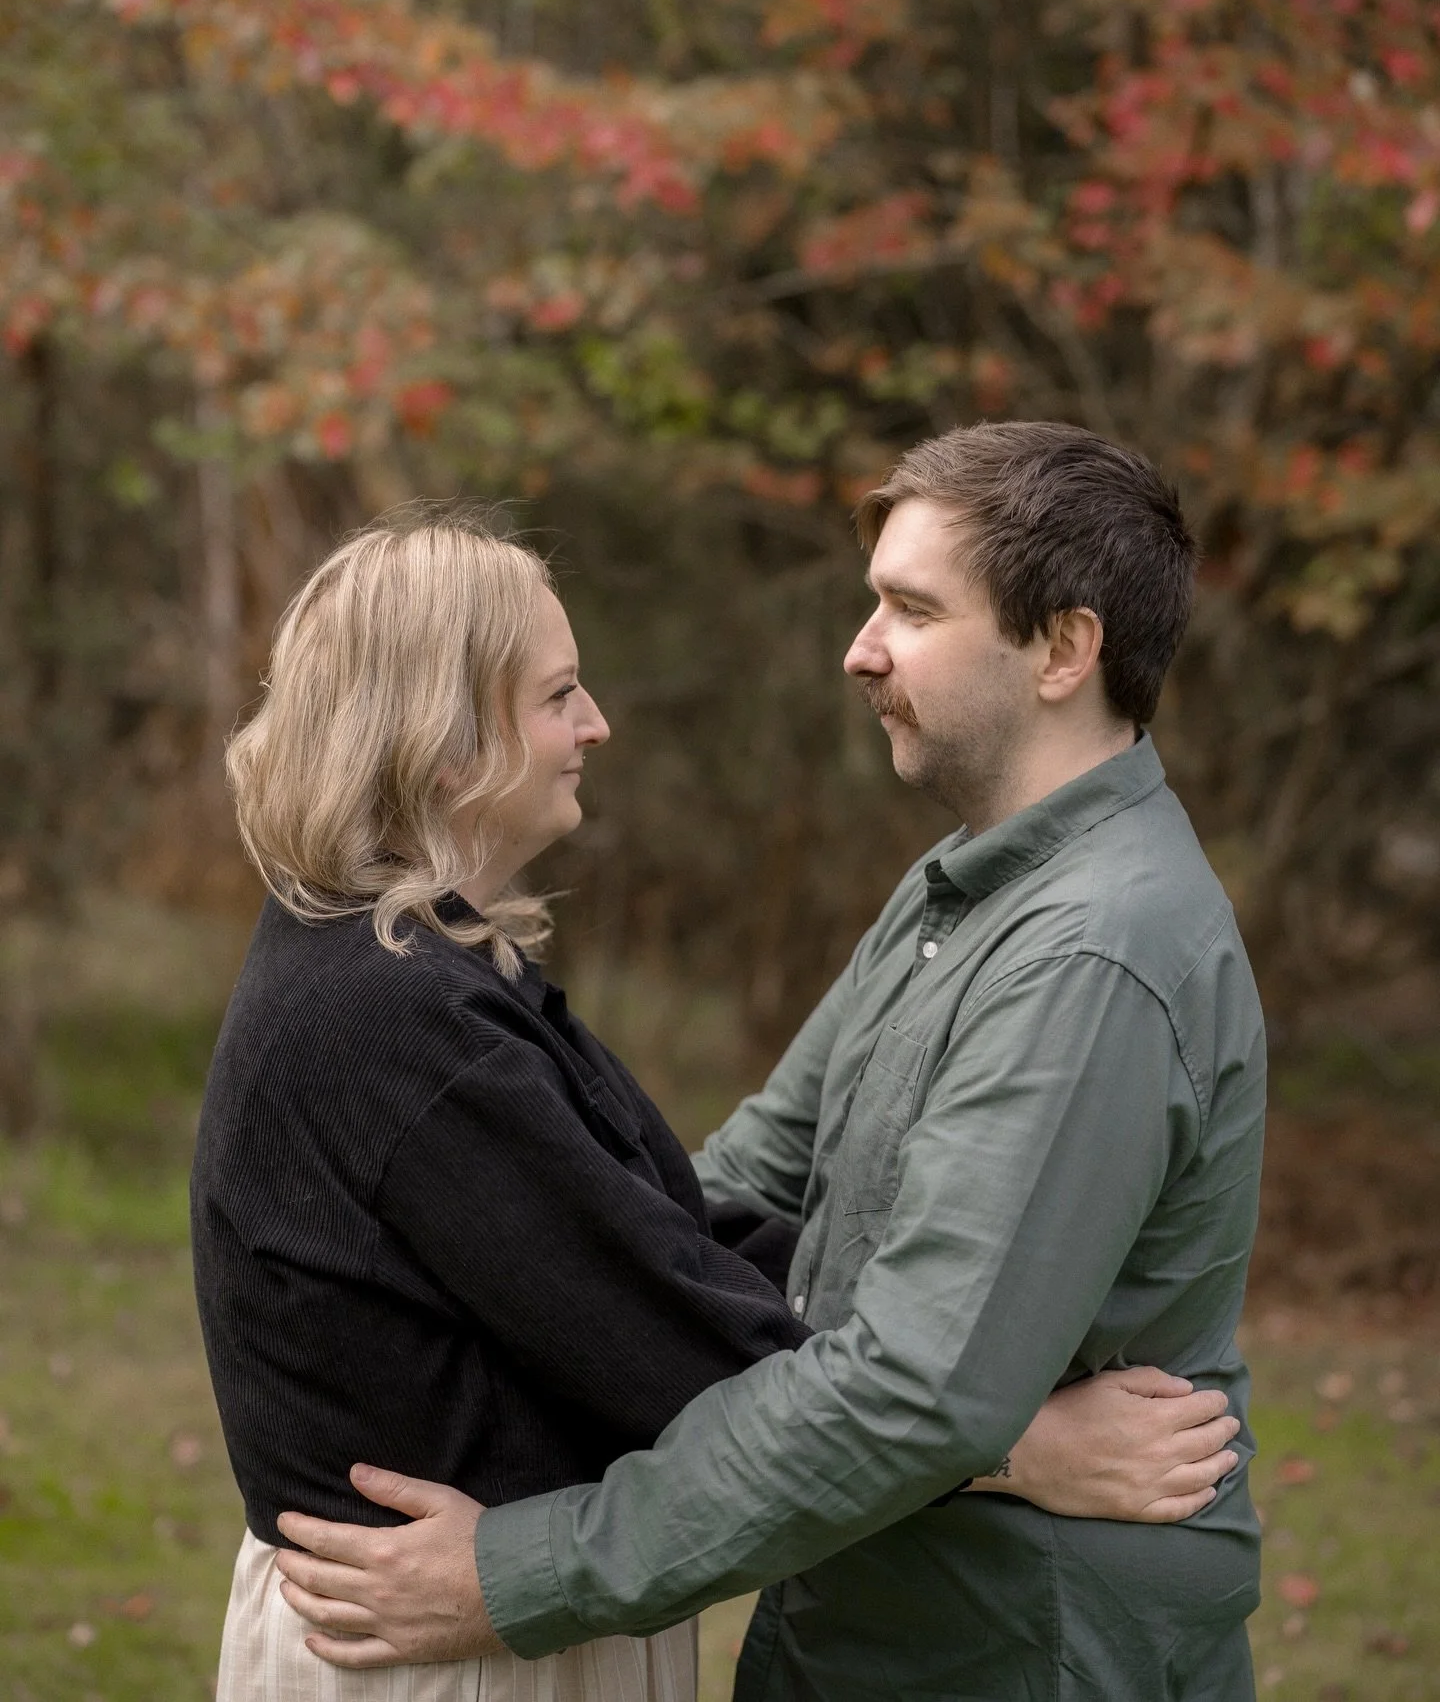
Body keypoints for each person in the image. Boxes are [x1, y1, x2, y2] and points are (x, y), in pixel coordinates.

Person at [273, 425, 1268, 1702]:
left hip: (1016, 1646)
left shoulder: (1093, 957)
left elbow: (914, 1394)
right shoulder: (966, 887)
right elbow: (735, 1195)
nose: (858, 648)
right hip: (865, 1610)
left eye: (911, 609)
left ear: (1064, 650)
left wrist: (518, 1573)